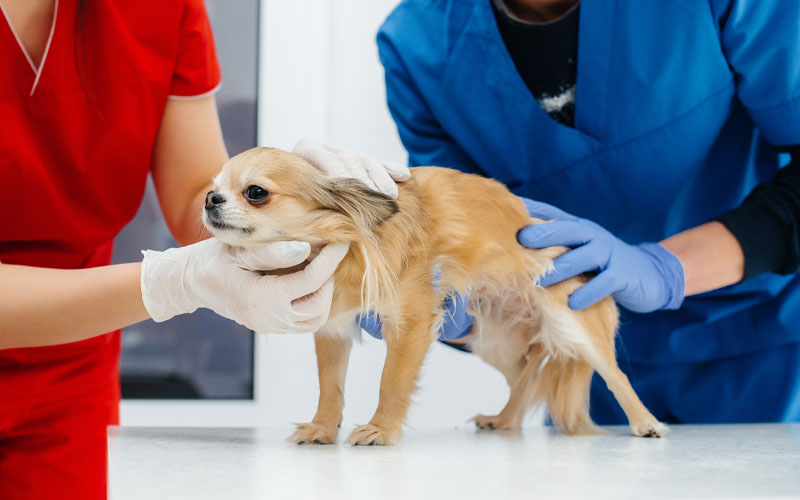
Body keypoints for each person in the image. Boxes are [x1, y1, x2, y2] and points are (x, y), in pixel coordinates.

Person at [0, 1, 407, 498]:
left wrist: (285, 206)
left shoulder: (161, 10)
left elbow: (198, 194)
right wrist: (172, 282)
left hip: (71, 366)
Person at [371, 0, 800, 425]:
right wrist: (448, 310)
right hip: (578, 369)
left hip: (770, 349)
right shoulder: (418, 45)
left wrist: (667, 269)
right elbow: (460, 240)